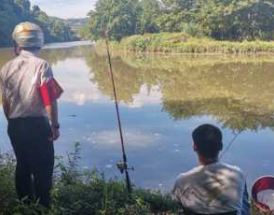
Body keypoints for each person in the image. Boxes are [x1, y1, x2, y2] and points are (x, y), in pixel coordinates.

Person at [0, 22, 63, 208]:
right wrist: (55, 126)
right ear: (39, 43)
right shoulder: (42, 65)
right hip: (37, 125)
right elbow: (49, 100)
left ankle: (25, 206)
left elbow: (5, 103)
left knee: (23, 165)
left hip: (15, 125)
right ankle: (43, 208)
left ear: (17, 45)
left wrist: (12, 122)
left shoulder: (5, 68)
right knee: (43, 170)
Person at [173, 124, 250, 215]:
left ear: (195, 147)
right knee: (243, 200)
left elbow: (178, 202)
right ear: (221, 146)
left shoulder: (181, 180)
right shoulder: (237, 174)